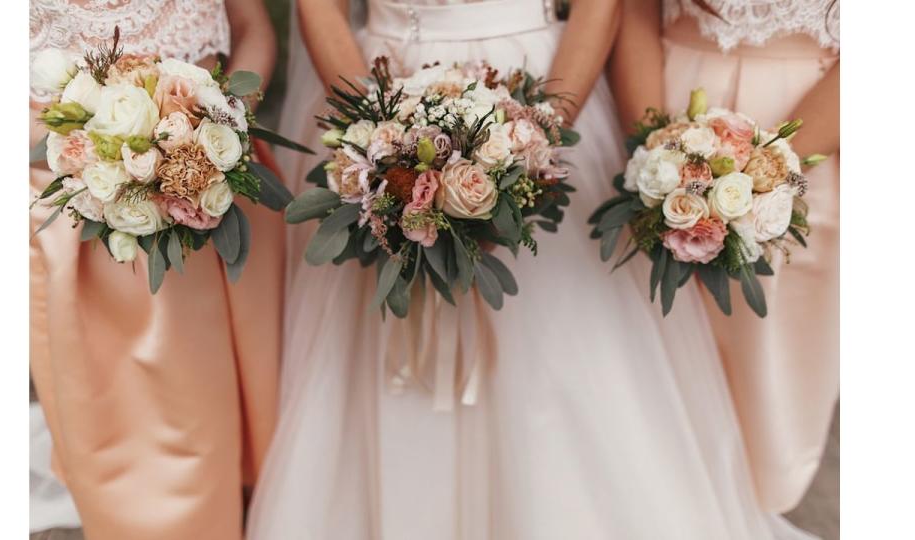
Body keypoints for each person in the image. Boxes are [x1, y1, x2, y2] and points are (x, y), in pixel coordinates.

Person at [247, 0, 814, 537]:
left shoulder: (542, 124)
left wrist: (536, 145)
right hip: (380, 88)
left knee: (562, 346)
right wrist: (379, 141)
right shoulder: (377, 127)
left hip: (542, 86)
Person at [29, 1, 284, 538]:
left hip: (225, 183)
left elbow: (251, 27)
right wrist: (110, 161)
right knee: (152, 474)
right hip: (87, 212)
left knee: (271, 437)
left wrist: (219, 130)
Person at [609, 0, 840, 512]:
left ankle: (755, 512)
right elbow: (635, 12)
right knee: (655, 357)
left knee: (771, 375)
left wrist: (769, 173)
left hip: (810, 124)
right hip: (669, 107)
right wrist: (652, 155)